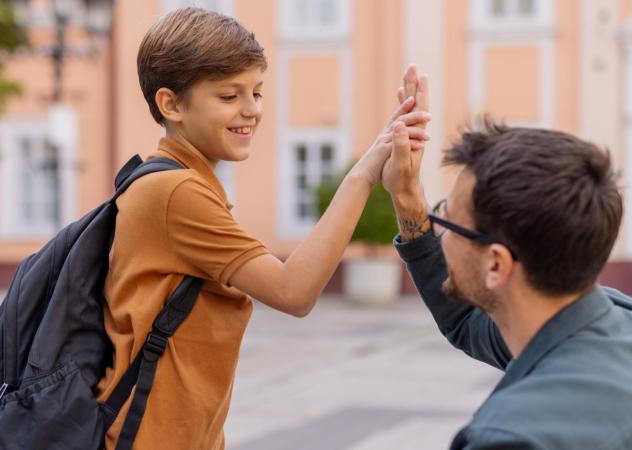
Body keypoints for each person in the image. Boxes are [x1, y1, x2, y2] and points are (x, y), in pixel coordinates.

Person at [95, 7, 431, 449]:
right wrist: (363, 174)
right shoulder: (175, 192)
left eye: (256, 91)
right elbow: (294, 291)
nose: (251, 110)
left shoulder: (183, 182)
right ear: (170, 104)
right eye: (228, 96)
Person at [381, 69, 632, 449]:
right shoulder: (627, 322)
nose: (441, 233)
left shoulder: (511, 438)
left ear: (496, 265)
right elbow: (464, 321)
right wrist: (408, 198)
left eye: (447, 219)